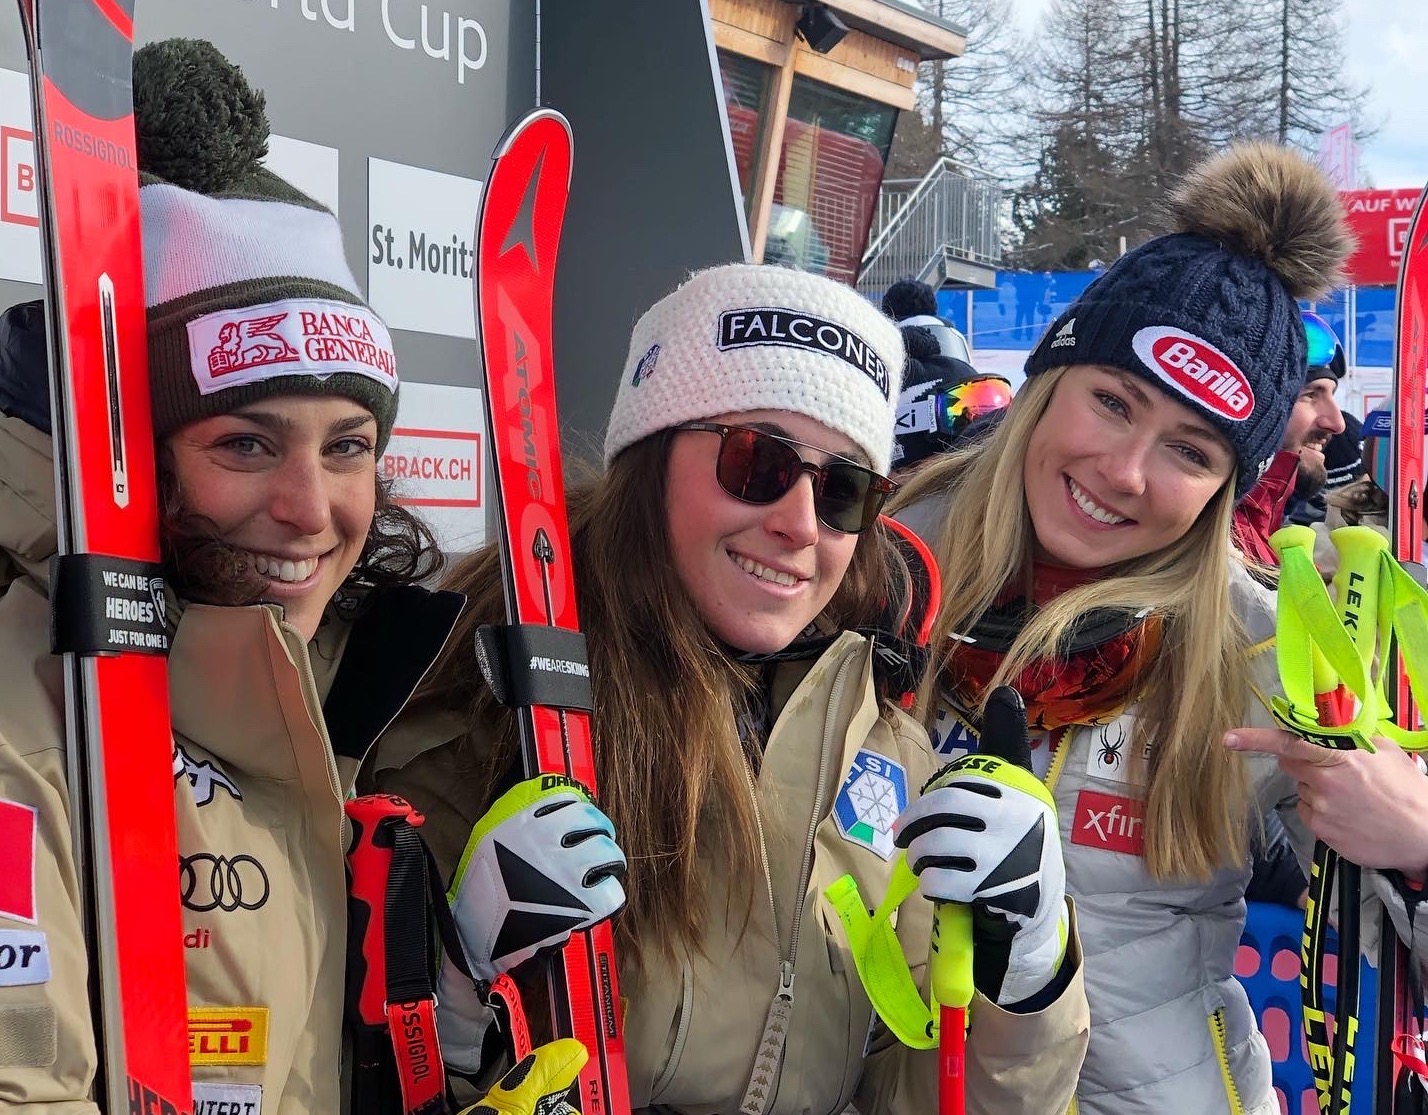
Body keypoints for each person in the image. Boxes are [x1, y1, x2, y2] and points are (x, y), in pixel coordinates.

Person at [0, 39, 622, 1114]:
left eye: (346, 446)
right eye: (245, 444)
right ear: (135, 456)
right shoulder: (34, 716)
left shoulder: (350, 683)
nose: (312, 506)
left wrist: (456, 996)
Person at [371, 263, 1090, 1115]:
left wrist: (1029, 972)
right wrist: (452, 994)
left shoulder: (884, 747)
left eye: (843, 490)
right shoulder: (494, 712)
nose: (797, 523)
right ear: (651, 460)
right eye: (756, 461)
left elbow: (928, 1097)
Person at [888, 141, 1402, 1114]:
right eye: (1113, 401)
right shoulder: (877, 568)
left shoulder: (1256, 645)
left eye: (1188, 446)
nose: (1124, 470)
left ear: (1227, 488)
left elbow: (1381, 941)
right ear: (1050, 383)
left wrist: (1414, 846)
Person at [1233, 310, 1347, 564]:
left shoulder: (1262, 529)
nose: (1338, 423)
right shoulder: (1215, 539)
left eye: (1332, 395)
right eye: (1310, 394)